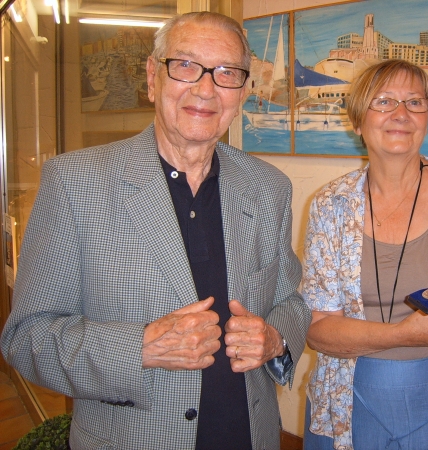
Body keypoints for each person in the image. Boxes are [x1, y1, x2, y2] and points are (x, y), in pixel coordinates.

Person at [1, 12, 311, 450]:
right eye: (185, 65)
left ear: (242, 91)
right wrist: (140, 348)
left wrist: (275, 338)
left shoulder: (268, 187)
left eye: (226, 73)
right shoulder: (75, 183)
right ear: (152, 77)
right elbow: (27, 339)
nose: (205, 89)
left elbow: (290, 301)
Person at [301, 59, 428, 450]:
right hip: (348, 403)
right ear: (358, 121)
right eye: (383, 102)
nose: (401, 114)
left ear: (427, 117)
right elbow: (318, 329)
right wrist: (400, 334)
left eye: (415, 102)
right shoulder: (332, 205)